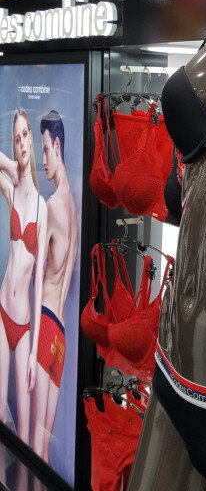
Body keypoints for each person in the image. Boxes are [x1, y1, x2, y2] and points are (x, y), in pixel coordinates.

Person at [31, 111, 77, 461]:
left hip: (45, 325)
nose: (43, 159)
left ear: (57, 145)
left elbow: (36, 283)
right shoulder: (72, 207)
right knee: (44, 444)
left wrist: (31, 349)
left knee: (34, 443)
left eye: (45, 149)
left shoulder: (50, 207)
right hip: (61, 336)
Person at [0, 108, 47, 443]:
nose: (21, 142)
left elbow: (39, 284)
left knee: (26, 432)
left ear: (32, 137)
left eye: (25, 135)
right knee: (0, 415)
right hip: (2, 309)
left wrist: (33, 354)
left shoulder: (42, 207)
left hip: (24, 323)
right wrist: (11, 166)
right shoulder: (11, 191)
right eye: (16, 138)